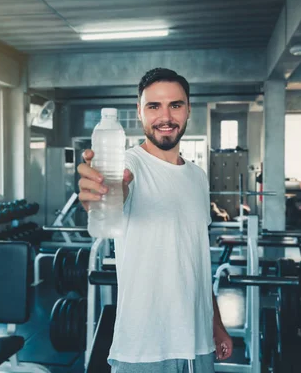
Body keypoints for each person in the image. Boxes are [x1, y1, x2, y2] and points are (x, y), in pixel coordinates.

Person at [77, 68, 233, 373]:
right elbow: (113, 189)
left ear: (188, 109)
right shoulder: (128, 164)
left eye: (175, 105)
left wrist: (216, 324)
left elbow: (196, 262)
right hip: (143, 350)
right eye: (153, 106)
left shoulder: (198, 177)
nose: (166, 116)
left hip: (198, 345)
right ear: (139, 112)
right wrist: (96, 194)